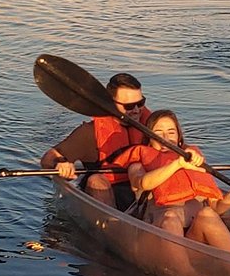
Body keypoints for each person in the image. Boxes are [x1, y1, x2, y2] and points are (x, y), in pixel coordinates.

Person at [126, 110, 230, 254]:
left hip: (194, 237)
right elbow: (142, 183)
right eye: (158, 132)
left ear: (179, 137)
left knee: (207, 213)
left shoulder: (194, 163)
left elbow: (216, 207)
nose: (166, 138)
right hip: (157, 238)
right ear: (149, 138)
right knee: (170, 218)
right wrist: (177, 165)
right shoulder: (138, 165)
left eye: (171, 132)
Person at [40, 72, 150, 208]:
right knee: (96, 180)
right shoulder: (90, 133)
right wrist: (61, 162)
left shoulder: (153, 125)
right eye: (128, 106)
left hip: (142, 184)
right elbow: (47, 158)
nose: (136, 110)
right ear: (110, 104)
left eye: (140, 103)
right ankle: (112, 224)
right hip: (106, 189)